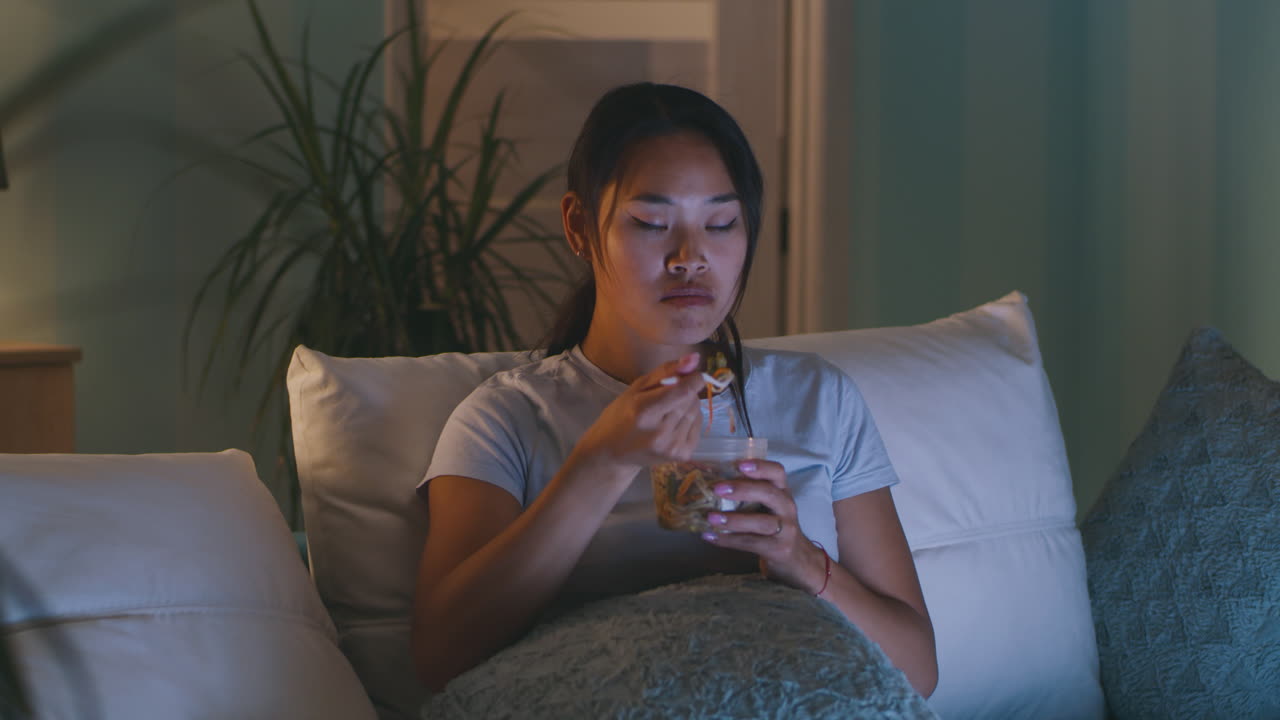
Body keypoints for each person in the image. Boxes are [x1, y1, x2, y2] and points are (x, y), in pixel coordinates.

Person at [410, 83, 937, 697]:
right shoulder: (506, 418)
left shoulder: (820, 399)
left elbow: (917, 673)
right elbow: (438, 660)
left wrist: (799, 558)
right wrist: (601, 462)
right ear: (579, 227)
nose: (691, 257)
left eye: (720, 223)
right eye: (651, 223)